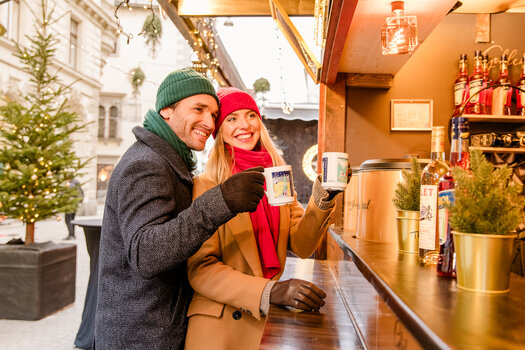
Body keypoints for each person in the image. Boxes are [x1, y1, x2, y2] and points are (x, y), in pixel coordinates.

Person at [94, 69, 266, 350]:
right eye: (198, 109)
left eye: (213, 114)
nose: (209, 122)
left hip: (159, 330)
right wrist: (220, 202)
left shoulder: (171, 161)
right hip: (141, 337)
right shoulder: (146, 163)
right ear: (166, 111)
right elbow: (146, 254)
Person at [185, 87, 348, 349]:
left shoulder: (278, 178)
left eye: (251, 115)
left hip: (264, 322)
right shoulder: (207, 184)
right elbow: (201, 269)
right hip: (220, 328)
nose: (245, 125)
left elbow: (302, 245)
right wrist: (271, 291)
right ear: (220, 132)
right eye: (232, 118)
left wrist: (324, 197)